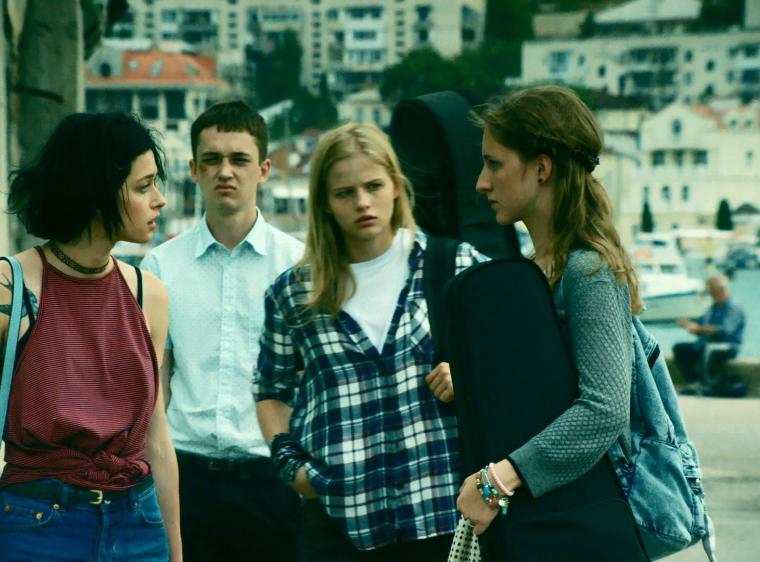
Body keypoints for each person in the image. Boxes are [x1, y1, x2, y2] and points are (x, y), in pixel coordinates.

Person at [254, 123, 486, 561]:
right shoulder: (294, 294)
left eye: (373, 186)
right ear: (325, 202)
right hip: (340, 524)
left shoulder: (454, 266)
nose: (362, 202)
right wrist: (292, 466)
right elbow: (271, 389)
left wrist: (471, 378)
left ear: (396, 186)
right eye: (345, 193)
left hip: (445, 515)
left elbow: (517, 363)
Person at [457, 85, 647, 558]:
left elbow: (605, 409)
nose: (481, 182)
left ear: (541, 169)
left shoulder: (587, 270)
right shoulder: (541, 269)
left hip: (578, 530)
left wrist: (497, 482)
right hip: (549, 522)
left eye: (494, 164)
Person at [0, 112, 181, 561]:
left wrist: (175, 551)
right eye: (143, 186)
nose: (159, 200)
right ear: (98, 192)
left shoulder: (148, 293)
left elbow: (157, 440)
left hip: (138, 526)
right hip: (37, 527)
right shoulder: (12, 288)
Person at [140, 100, 304, 562]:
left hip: (273, 482)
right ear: (194, 169)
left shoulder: (299, 264)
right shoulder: (160, 266)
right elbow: (155, 382)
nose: (225, 171)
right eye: (211, 159)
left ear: (264, 169)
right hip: (187, 479)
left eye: (239, 159)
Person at [674, 275, 746, 395]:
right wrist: (689, 324)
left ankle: (706, 384)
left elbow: (725, 330)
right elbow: (701, 323)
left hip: (728, 345)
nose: (710, 294)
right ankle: (694, 382)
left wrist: (700, 329)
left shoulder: (734, 307)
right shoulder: (713, 308)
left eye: (712, 291)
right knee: (680, 348)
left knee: (708, 349)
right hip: (708, 343)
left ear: (722, 289)